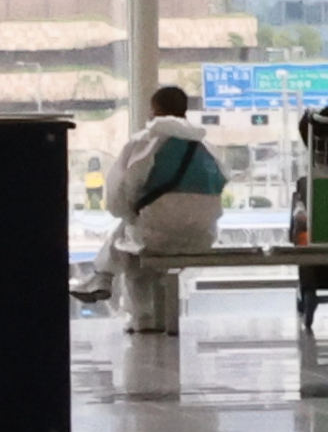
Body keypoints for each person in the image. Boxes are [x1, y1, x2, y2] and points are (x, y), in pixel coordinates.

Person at [90, 85, 226, 302]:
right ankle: (105, 278)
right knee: (132, 232)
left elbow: (121, 190)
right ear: (184, 111)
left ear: (155, 109)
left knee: (128, 239)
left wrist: (129, 214)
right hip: (202, 235)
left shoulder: (145, 142)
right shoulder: (205, 147)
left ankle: (136, 311)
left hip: (156, 233)